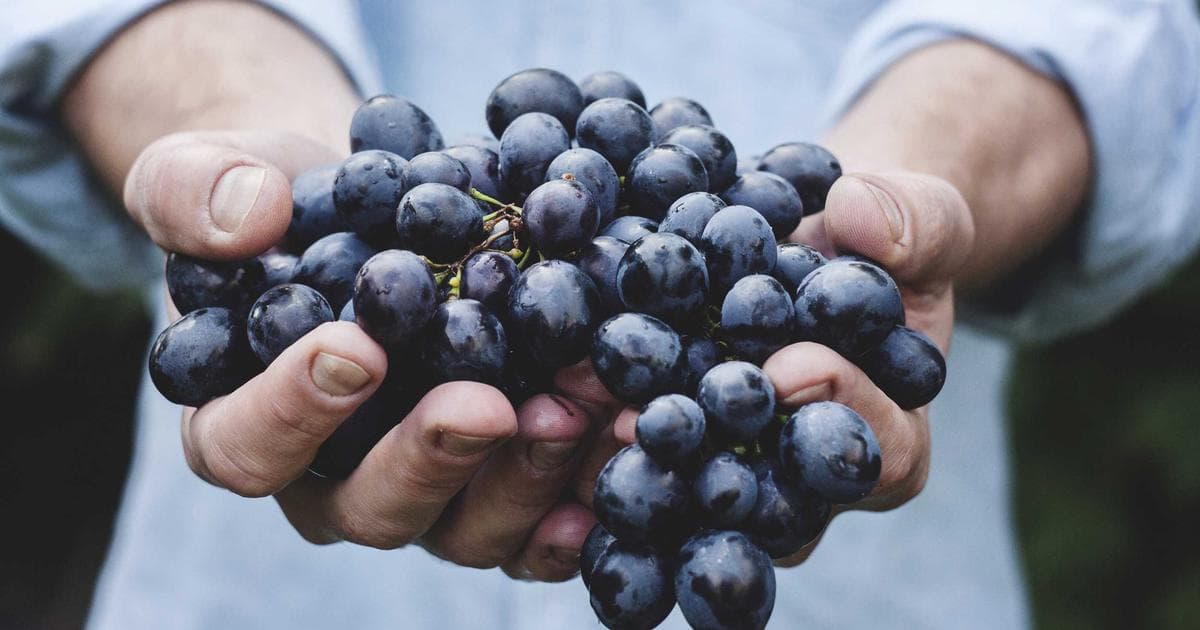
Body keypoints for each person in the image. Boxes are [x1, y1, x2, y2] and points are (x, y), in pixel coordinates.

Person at [2, 1, 1198, 628]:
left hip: (827, 491)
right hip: (264, 579)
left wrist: (905, 187)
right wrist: (239, 140)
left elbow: (1114, 25)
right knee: (350, 373)